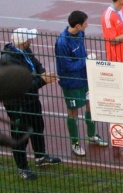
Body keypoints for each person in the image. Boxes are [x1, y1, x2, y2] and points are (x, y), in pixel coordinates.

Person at [1, 28, 61, 180]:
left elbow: (37, 64)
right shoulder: (9, 59)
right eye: (29, 39)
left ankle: (40, 157)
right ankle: (22, 167)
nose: (31, 42)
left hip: (32, 99)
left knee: (37, 127)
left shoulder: (25, 51)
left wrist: (43, 74)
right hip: (18, 104)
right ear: (23, 41)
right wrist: (42, 80)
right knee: (20, 136)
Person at [56, 11, 109, 155]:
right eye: (85, 23)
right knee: (73, 112)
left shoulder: (80, 34)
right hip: (71, 82)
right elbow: (67, 66)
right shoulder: (62, 42)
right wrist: (86, 60)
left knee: (90, 105)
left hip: (85, 77)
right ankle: (75, 143)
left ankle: (92, 135)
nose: (88, 25)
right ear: (78, 25)